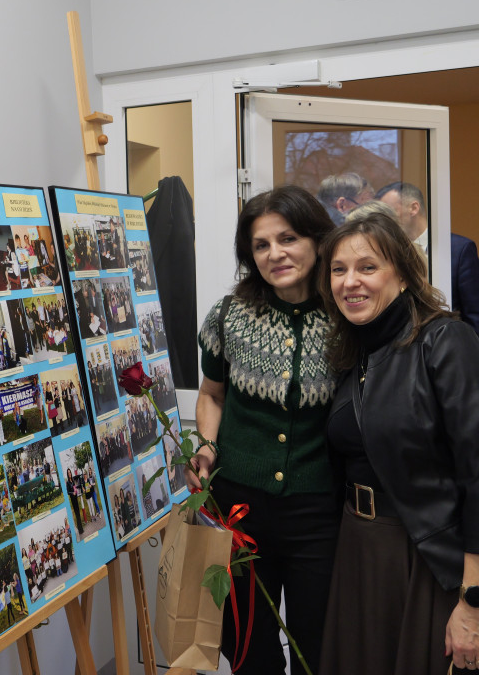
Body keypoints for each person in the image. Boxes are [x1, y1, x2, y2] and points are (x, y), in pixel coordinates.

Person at [317, 210, 479, 675]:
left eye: (368, 267)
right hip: (359, 552)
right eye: (338, 270)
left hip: (427, 560)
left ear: (405, 275)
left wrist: (474, 603)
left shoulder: (446, 342)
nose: (351, 282)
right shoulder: (351, 353)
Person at [188, 185, 339, 675]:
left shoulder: (347, 317)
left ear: (317, 240)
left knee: (317, 645)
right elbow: (212, 393)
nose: (276, 254)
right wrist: (206, 447)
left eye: (288, 238)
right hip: (239, 507)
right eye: (261, 244)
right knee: (248, 644)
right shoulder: (229, 315)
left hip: (319, 511)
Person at [377, 181, 479, 355]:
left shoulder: (458, 249)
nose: (386, 221)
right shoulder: (389, 253)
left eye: (390, 211)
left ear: (413, 208)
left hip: (449, 351)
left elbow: (476, 318)